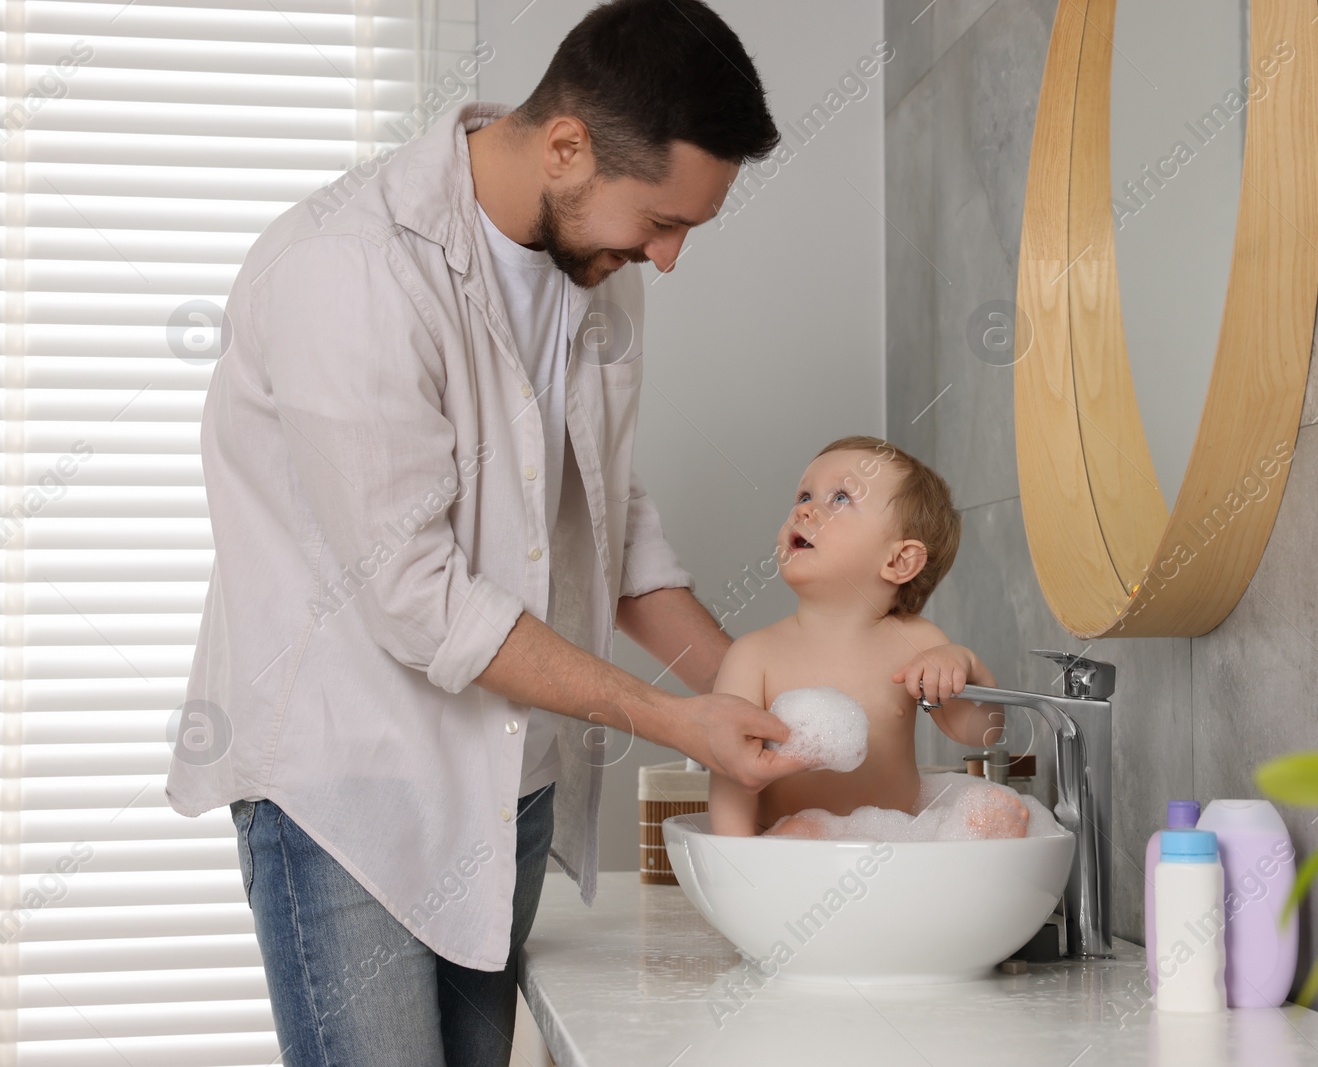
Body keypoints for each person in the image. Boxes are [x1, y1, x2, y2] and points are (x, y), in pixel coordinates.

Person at [164, 2, 810, 1064]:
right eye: (661, 221)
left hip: (510, 782)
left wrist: (755, 702)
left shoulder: (595, 272)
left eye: (689, 227)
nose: (671, 256)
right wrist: (676, 720)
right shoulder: (350, 269)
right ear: (566, 146)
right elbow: (417, 592)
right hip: (349, 788)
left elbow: (605, 520)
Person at [707, 435, 1024, 838]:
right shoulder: (753, 655)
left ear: (898, 561)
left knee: (992, 813)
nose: (805, 509)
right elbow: (732, 774)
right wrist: (739, 859)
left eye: (839, 498)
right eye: (804, 495)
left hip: (897, 848)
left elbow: (980, 732)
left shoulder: (919, 642)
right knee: (803, 832)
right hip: (789, 851)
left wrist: (965, 666)